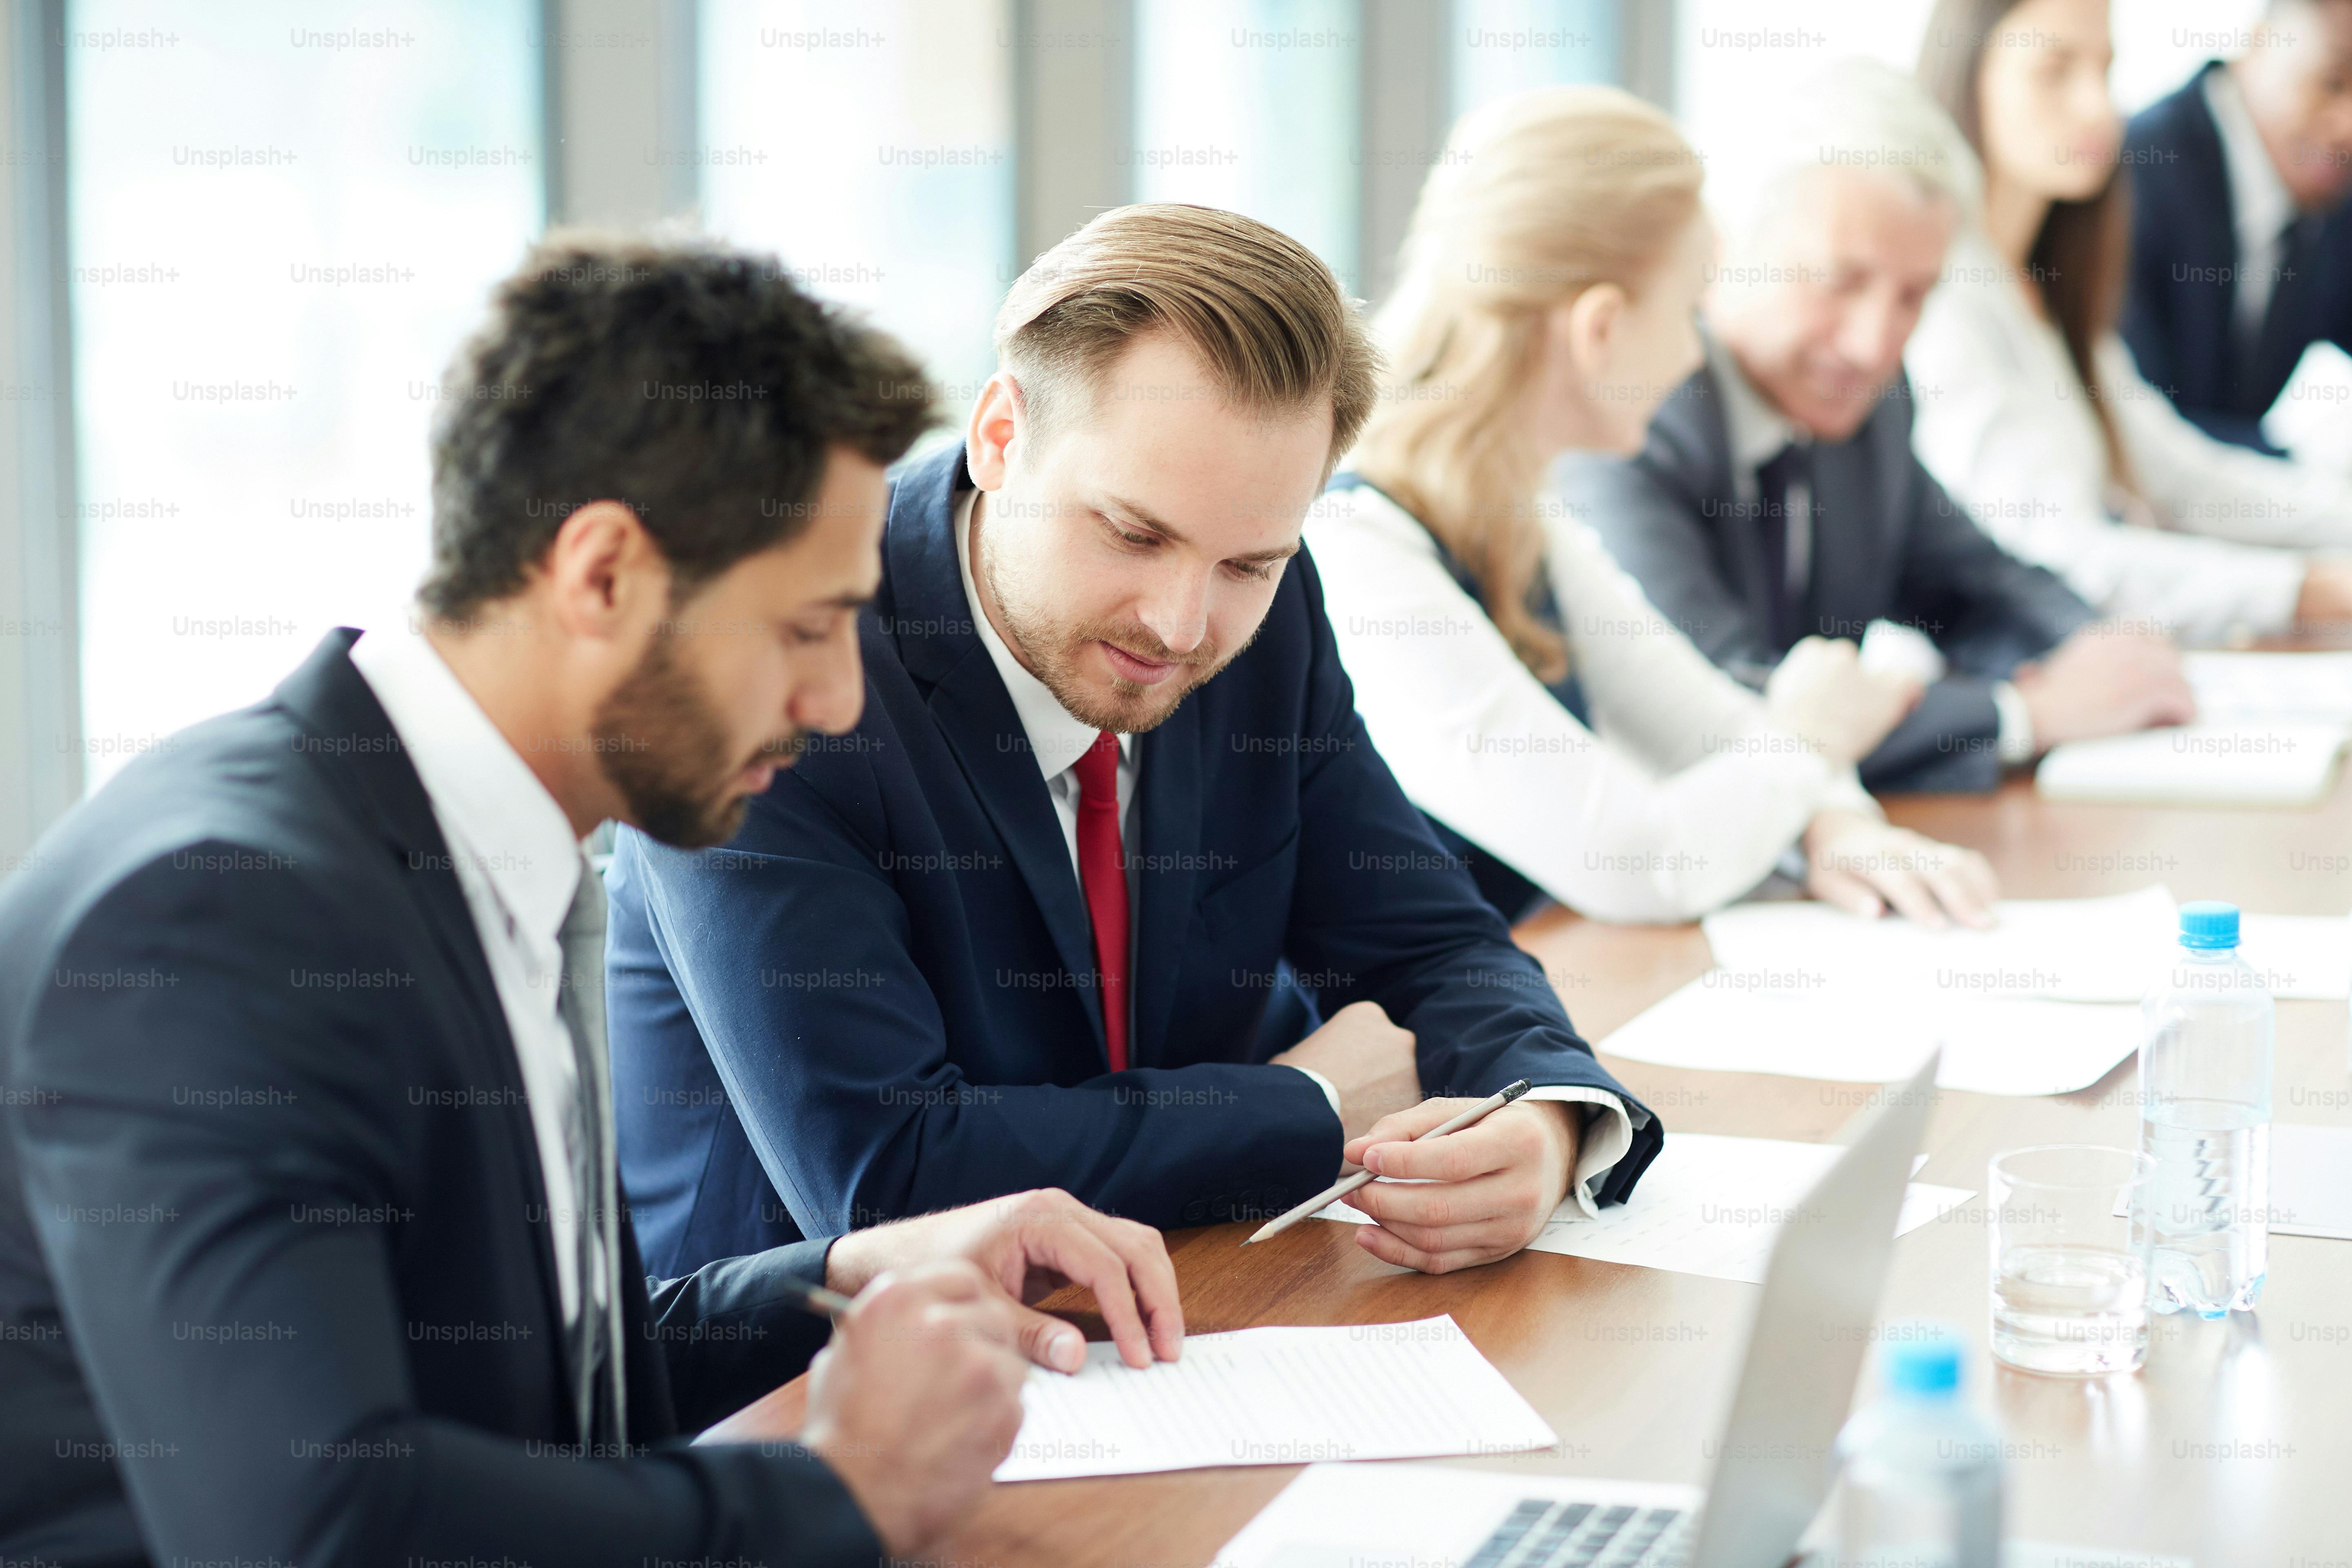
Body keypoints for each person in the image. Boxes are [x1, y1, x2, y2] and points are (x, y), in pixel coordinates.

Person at [0, 235, 1185, 1568]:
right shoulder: (219, 923)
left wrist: (846, 1273)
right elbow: (324, 1524)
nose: (840, 702)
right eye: (805, 628)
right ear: (602, 573)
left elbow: (539, 1378)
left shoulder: (474, 842)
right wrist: (845, 1494)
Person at [607, 204, 1662, 1285]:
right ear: (1002, 438)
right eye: (1131, 532)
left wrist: (1542, 1118)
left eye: (1247, 564)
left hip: (1173, 1293)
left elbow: (1434, 946)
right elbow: (889, 1178)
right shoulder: (780, 664)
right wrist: (1311, 1101)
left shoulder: (1268, 610)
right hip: (809, 1378)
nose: (1180, 623)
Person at [1315, 84, 1996, 928]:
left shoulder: (1520, 516)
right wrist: (1810, 739)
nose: (1692, 354)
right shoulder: (1360, 555)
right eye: (1685, 311)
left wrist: (1836, 821)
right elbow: (1639, 863)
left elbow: (1709, 725)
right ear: (1600, 328)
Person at [1565, 61, 2190, 795]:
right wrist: (2024, 714)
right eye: (1840, 282)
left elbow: (1974, 581)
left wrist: (2098, 650)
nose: (1875, 344)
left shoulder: (1871, 405)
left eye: (1914, 296)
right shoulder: (1624, 421)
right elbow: (1721, 712)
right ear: (1721, 249)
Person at [1908, 0, 2352, 645]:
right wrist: (2308, 590)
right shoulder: (1940, 297)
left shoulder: (2046, 293)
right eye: (2055, 70)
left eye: (2105, 71)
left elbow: (2183, 477)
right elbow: (2062, 558)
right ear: (1969, 72)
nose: (2098, 108)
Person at [2121, 0, 2352, 452]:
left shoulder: (2332, 190)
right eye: (2332, 81)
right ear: (2260, 45)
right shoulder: (2136, 172)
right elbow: (2153, 444)